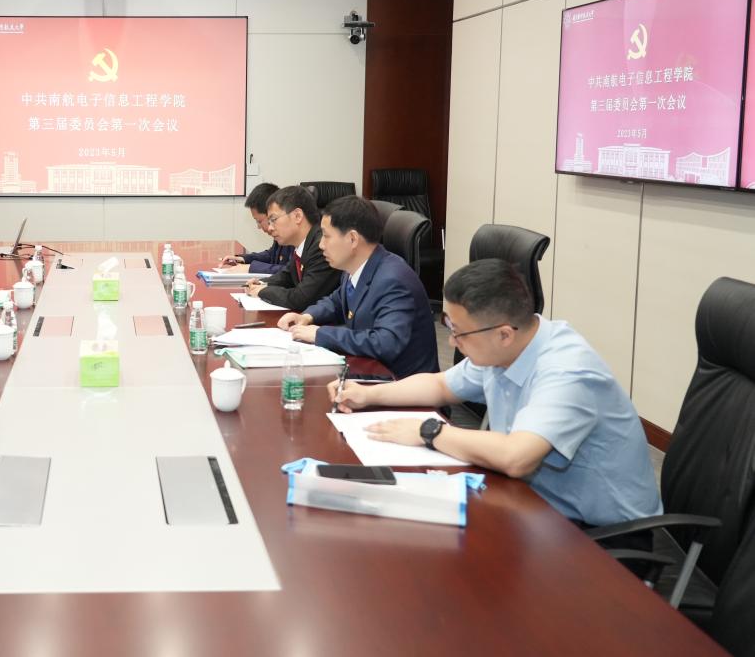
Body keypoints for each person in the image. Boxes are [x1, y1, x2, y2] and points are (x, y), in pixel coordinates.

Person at [332, 258, 661, 528]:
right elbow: (440, 385)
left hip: (598, 536)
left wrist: (428, 431)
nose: (452, 342)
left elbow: (516, 457)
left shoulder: (567, 371)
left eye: (459, 333)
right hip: (530, 502)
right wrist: (368, 395)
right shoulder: (506, 348)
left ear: (504, 334)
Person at [278, 195, 437, 376]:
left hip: (400, 384)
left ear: (353, 239)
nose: (321, 245)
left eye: (326, 236)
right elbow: (337, 300)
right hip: (368, 371)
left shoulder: (393, 280)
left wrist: (320, 334)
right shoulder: (355, 267)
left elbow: (385, 343)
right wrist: (307, 316)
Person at [244, 185, 340, 312]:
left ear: (297, 216)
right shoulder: (303, 244)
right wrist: (261, 283)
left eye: (273, 219)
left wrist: (263, 291)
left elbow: (301, 299)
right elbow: (287, 276)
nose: (270, 228)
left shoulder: (321, 247)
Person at [216, 182, 293, 274]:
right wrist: (243, 259)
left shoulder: (294, 237)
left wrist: (251, 268)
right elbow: (272, 255)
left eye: (259, 221)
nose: (259, 227)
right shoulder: (281, 234)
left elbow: (291, 271)